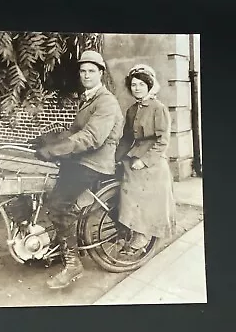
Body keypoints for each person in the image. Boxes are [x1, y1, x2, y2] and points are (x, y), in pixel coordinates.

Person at [34, 50, 124, 289]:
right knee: (52, 195)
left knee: (58, 205)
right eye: (83, 71)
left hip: (94, 163)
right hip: (80, 161)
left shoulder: (106, 102)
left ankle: (73, 264)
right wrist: (46, 140)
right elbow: (74, 132)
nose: (86, 75)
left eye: (91, 71)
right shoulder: (89, 99)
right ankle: (61, 244)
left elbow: (91, 137)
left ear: (101, 74)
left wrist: (54, 151)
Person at [115, 64, 176, 255]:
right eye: (133, 85)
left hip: (153, 161)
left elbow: (163, 140)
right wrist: (114, 158)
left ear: (149, 86)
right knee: (123, 188)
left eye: (141, 84)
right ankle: (128, 229)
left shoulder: (158, 108)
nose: (137, 88)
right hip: (135, 156)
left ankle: (142, 236)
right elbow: (126, 139)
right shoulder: (132, 110)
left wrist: (145, 160)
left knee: (140, 195)